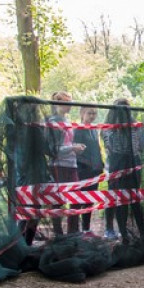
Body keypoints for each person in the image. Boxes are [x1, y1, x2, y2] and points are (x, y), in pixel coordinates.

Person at [103, 98, 144, 245]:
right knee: (133, 200)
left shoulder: (108, 127)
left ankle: (125, 235)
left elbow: (108, 148)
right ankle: (141, 234)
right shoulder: (136, 126)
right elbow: (141, 146)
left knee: (122, 200)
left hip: (118, 165)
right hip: (132, 164)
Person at [46, 91, 85, 237]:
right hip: (58, 166)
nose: (69, 106)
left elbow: (66, 144)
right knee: (57, 200)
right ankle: (58, 233)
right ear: (57, 103)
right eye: (66, 102)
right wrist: (72, 148)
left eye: (70, 102)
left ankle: (73, 232)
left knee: (76, 199)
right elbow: (53, 150)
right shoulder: (52, 122)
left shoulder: (68, 121)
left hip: (71, 164)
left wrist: (75, 148)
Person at [74, 106, 104, 235]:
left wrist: (100, 164)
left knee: (89, 200)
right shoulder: (78, 129)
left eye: (94, 113)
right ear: (82, 113)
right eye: (89, 113)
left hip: (94, 171)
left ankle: (86, 228)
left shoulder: (93, 130)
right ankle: (74, 229)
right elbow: (76, 150)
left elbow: (96, 148)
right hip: (82, 170)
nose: (92, 116)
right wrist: (87, 164)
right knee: (79, 200)